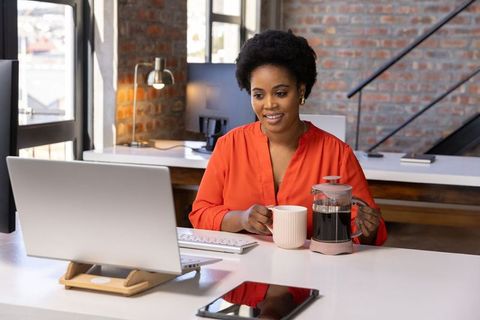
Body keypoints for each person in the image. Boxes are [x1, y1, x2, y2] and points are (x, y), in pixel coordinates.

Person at [189, 30, 387, 245]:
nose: (269, 104)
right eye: (258, 95)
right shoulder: (230, 145)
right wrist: (241, 219)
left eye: (281, 93)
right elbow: (200, 213)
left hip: (311, 273)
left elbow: (368, 233)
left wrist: (369, 228)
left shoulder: (337, 154)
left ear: (301, 91)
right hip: (243, 271)